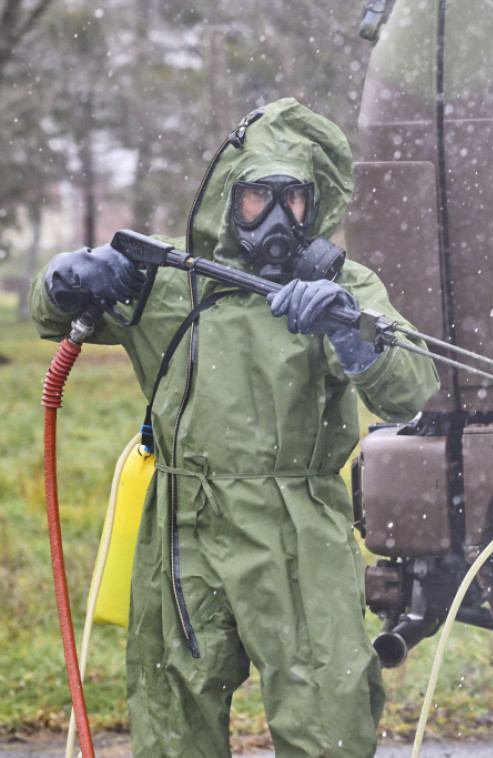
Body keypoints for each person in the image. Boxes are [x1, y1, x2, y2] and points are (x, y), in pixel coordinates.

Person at [30, 97, 440, 758]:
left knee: (327, 711)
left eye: (295, 199)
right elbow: (54, 316)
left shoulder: (343, 286)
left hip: (297, 524)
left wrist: (347, 326)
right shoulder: (171, 285)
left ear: (316, 204)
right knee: (172, 714)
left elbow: (410, 389)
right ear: (228, 196)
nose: (278, 218)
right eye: (257, 197)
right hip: (183, 525)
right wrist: (64, 277)